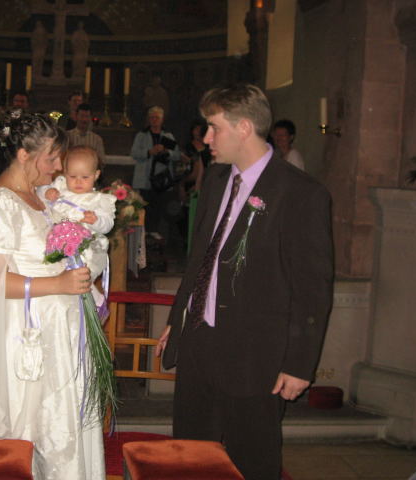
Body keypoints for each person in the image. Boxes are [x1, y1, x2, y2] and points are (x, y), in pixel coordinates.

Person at [156, 84, 333, 479]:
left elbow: (313, 289)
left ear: (244, 128)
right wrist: (177, 318)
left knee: (253, 460)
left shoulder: (301, 193)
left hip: (256, 353)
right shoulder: (218, 178)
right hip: (200, 340)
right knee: (190, 455)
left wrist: (299, 364)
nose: (206, 138)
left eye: (214, 127)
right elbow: (201, 257)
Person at [0, 110, 105, 479]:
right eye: (51, 158)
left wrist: (88, 260)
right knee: (26, 428)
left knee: (60, 428)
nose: (58, 167)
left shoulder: (43, 196)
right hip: (26, 338)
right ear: (24, 155)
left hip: (62, 333)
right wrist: (57, 284)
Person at [38, 145, 116, 317]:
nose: (78, 182)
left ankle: (92, 300)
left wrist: (96, 220)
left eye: (85, 177)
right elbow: (39, 192)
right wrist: (47, 192)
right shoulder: (60, 188)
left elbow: (108, 224)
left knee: (79, 276)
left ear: (96, 175)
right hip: (57, 242)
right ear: (64, 173)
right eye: (72, 177)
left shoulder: (99, 200)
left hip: (86, 248)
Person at [130, 105, 181, 236]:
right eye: (152, 117)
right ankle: (144, 232)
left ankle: (156, 232)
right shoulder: (142, 135)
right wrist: (149, 152)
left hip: (161, 179)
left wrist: (166, 151)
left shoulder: (168, 135)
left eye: (157, 118)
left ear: (162, 119)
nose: (154, 120)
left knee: (159, 206)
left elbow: (177, 155)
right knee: (145, 206)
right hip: (145, 178)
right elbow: (134, 153)